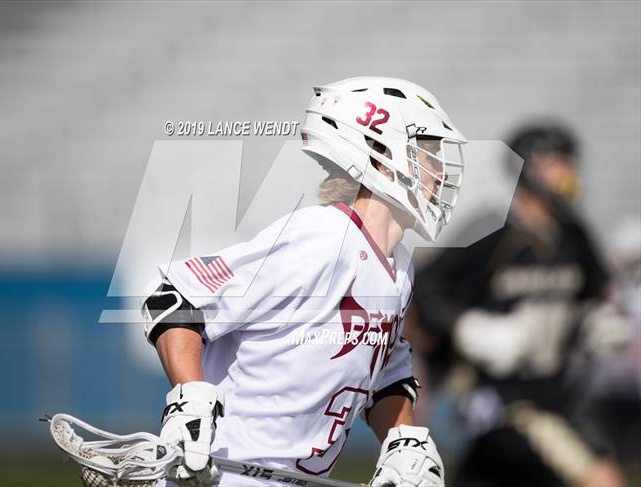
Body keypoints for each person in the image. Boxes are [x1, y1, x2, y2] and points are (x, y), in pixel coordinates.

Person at [141, 77, 468, 487]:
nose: (439, 171)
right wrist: (190, 399)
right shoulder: (321, 238)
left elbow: (385, 374)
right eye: (428, 153)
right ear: (383, 159)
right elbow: (174, 298)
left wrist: (404, 440)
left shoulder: (399, 268)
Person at [410, 123, 625, 487]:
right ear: (530, 166)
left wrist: (598, 323)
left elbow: (595, 295)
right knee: (601, 478)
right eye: (558, 162)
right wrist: (467, 327)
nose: (568, 173)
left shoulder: (573, 235)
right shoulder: (493, 231)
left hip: (555, 396)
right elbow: (428, 290)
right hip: (498, 399)